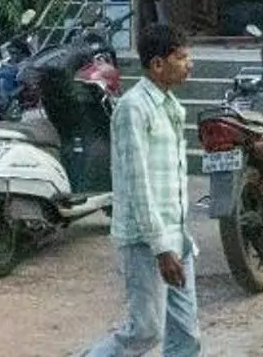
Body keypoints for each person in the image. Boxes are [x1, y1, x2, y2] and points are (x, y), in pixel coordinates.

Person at [86, 22, 200, 357]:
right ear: (158, 64)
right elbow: (137, 183)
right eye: (182, 58)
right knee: (146, 331)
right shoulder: (133, 108)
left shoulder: (170, 105)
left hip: (177, 234)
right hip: (146, 240)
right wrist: (162, 248)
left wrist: (177, 240)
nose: (190, 64)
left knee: (186, 335)